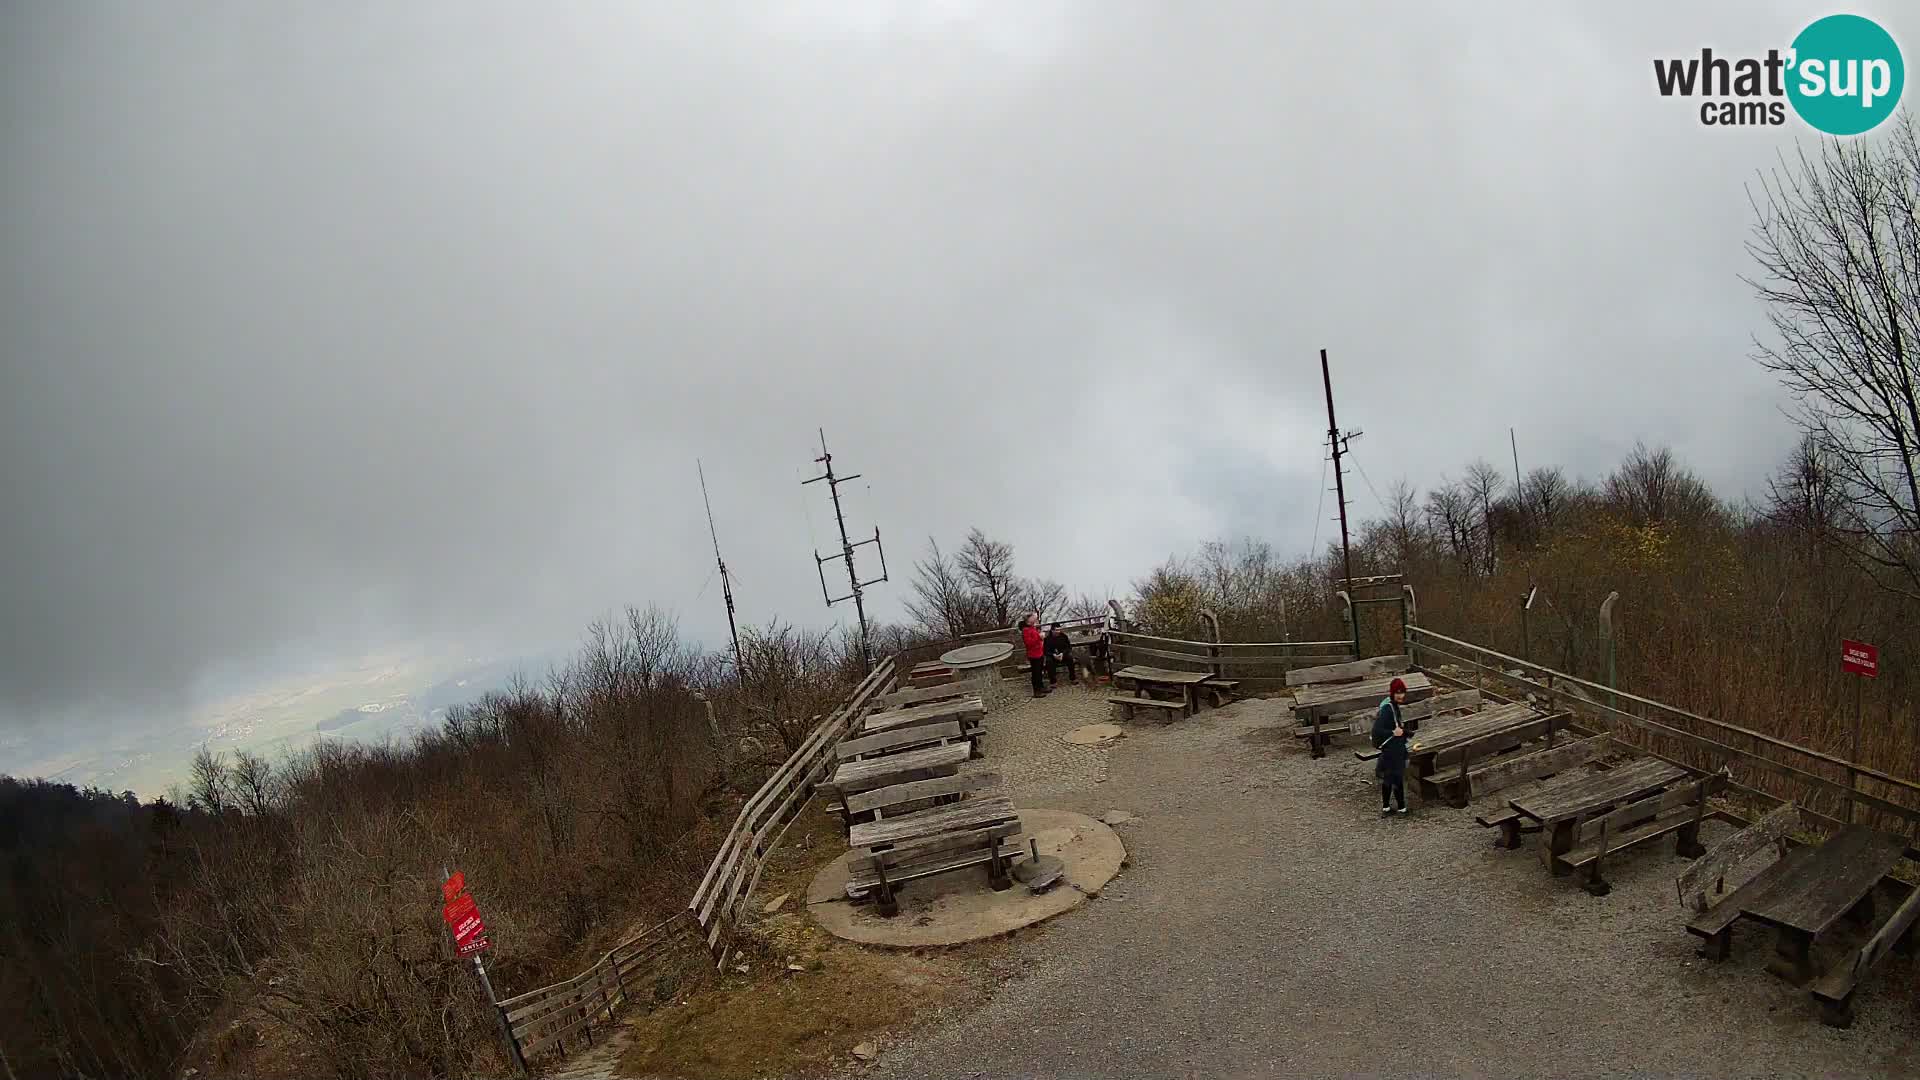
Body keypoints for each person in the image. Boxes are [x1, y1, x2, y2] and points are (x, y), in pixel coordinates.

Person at [1371, 677, 1412, 815]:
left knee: (1389, 777)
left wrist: (1406, 733)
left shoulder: (1393, 706)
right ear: (1392, 693)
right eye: (1398, 692)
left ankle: (1386, 807)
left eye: (1402, 692)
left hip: (1391, 748)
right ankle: (1401, 808)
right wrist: (1394, 732)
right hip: (1392, 748)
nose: (1401, 695)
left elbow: (1398, 728)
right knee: (1396, 777)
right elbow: (1377, 730)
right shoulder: (1389, 709)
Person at [1021, 613, 1048, 697]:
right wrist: (1039, 638)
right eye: (1033, 618)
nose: (1035, 619)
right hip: (1033, 654)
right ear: (1028, 619)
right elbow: (1028, 643)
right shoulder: (1025, 630)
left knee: (1039, 672)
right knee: (1036, 673)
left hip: (1039, 652)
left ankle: (1041, 687)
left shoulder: (1032, 627)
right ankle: (1036, 691)